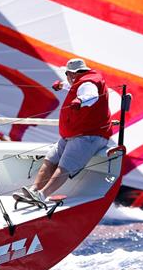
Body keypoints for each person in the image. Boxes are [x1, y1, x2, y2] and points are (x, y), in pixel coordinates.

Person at [23, 58, 112, 203]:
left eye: (66, 75)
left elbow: (91, 95)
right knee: (50, 159)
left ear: (71, 74)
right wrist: (61, 85)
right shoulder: (81, 80)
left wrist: (80, 101)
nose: (67, 78)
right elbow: (74, 86)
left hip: (87, 136)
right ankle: (33, 191)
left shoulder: (88, 83)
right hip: (73, 135)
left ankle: (41, 195)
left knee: (65, 165)